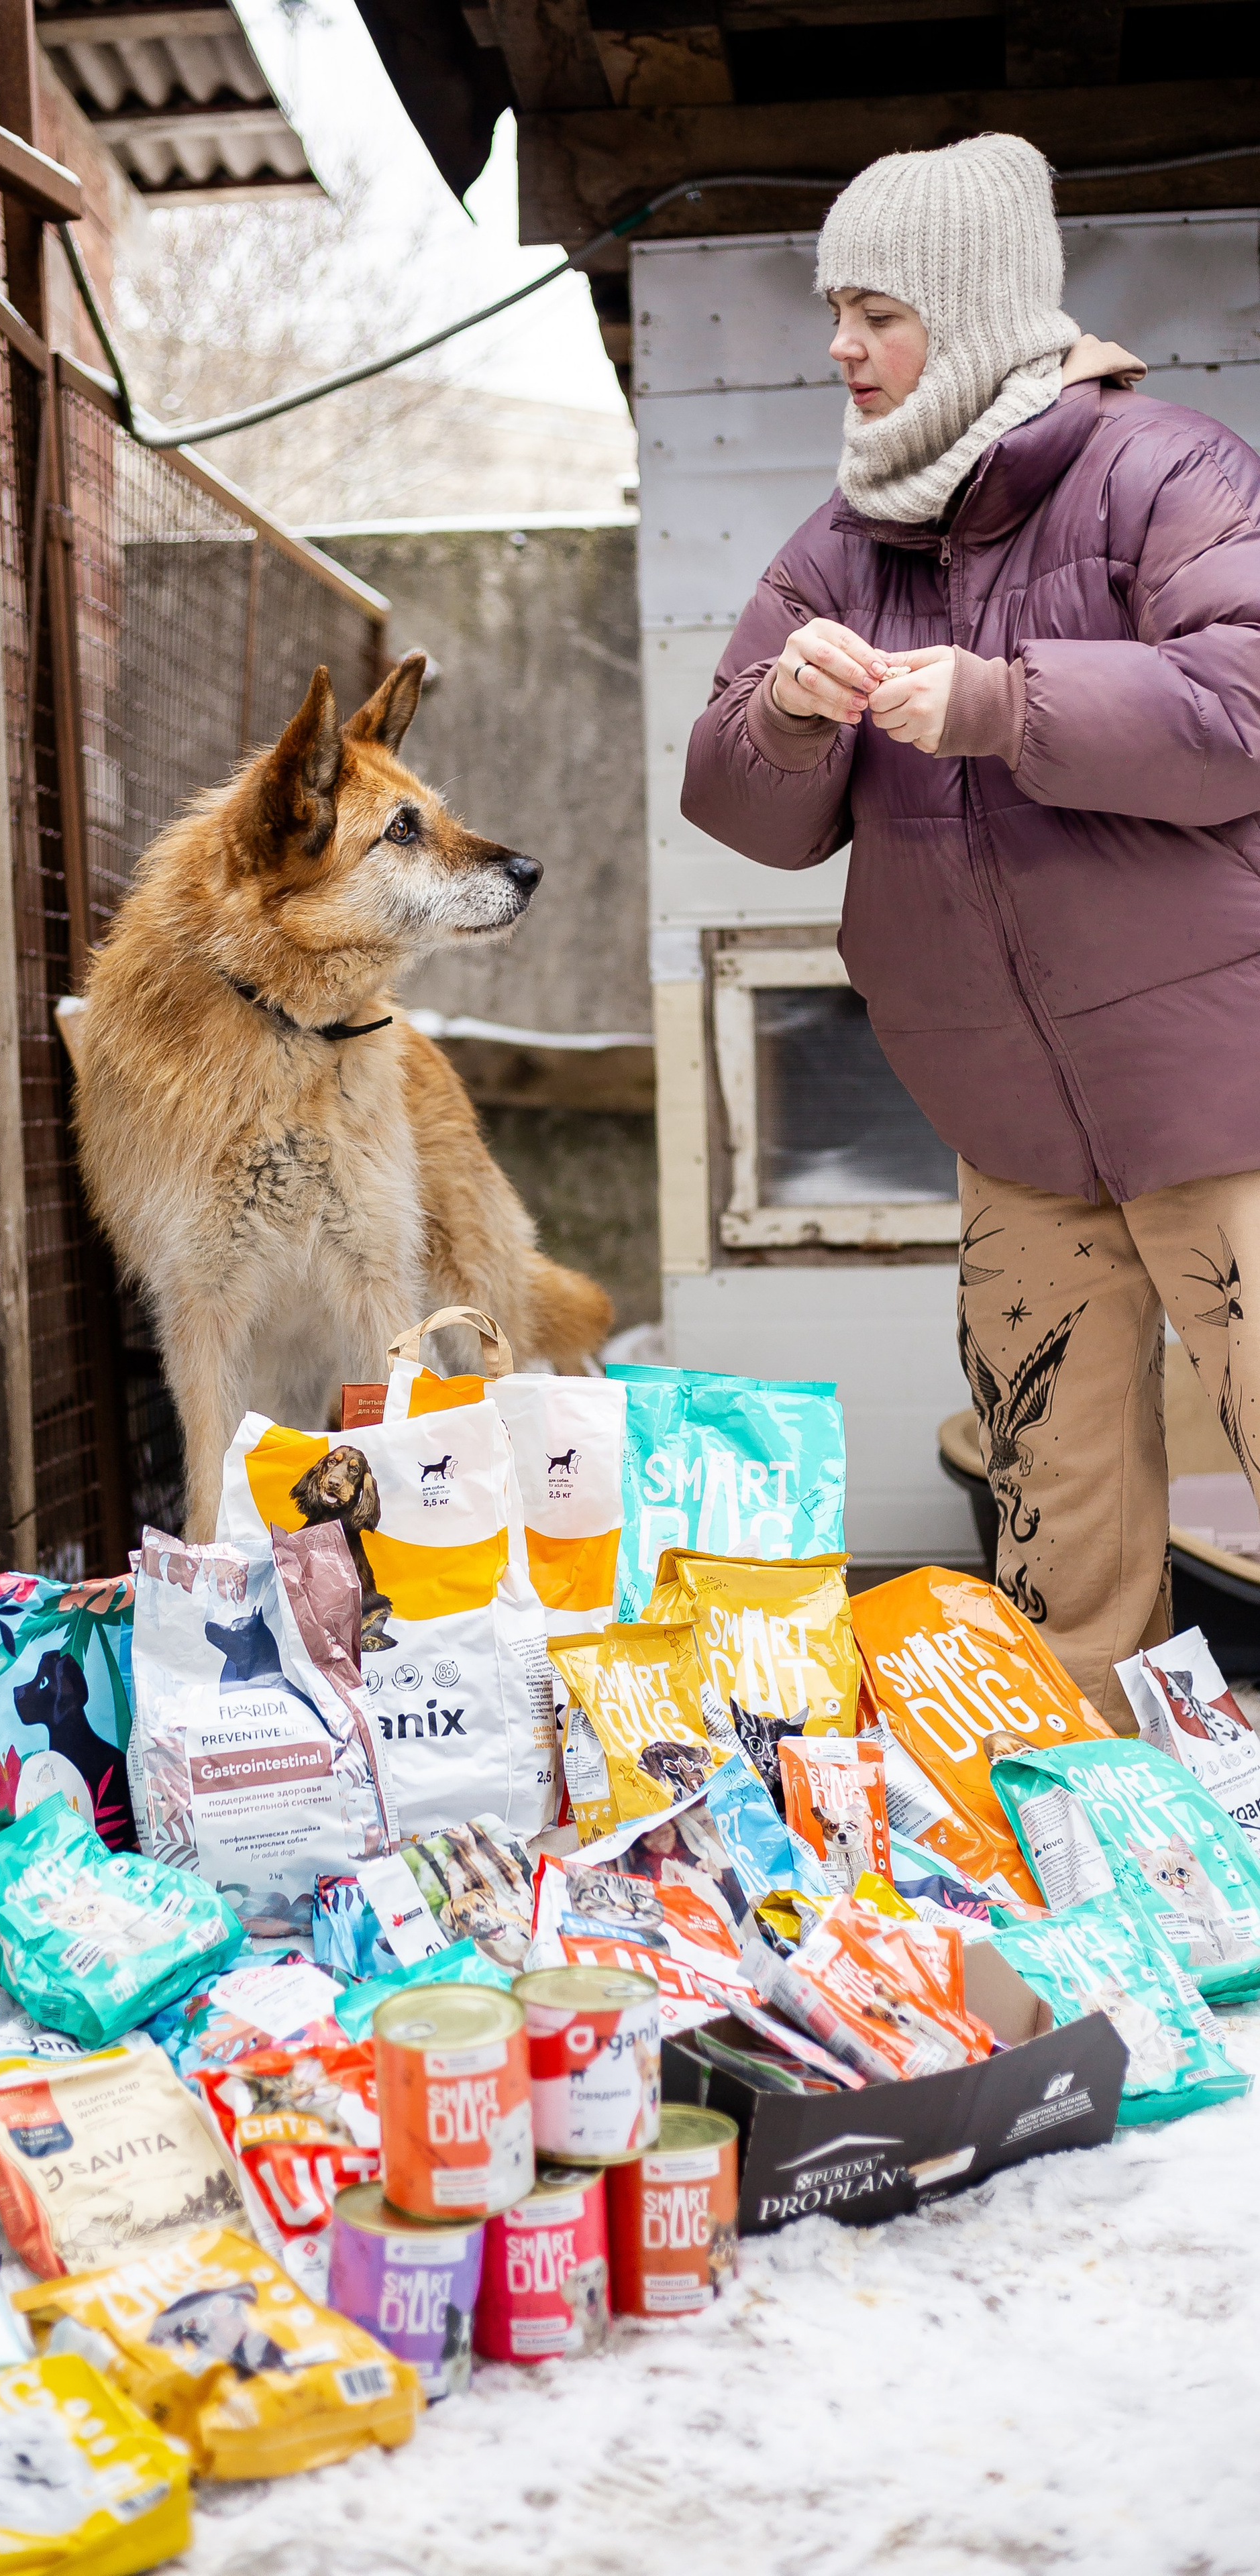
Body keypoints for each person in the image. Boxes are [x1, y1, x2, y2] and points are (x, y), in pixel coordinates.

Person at [681, 133, 1260, 1720]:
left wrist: (1007, 705)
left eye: (875, 311)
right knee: (1051, 1535)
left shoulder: (1168, 473)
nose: (838, 348)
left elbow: (1242, 705)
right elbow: (735, 804)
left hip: (1222, 1106)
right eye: (830, 311)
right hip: (1012, 1131)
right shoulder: (838, 547)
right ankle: (1093, 1846)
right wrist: (787, 718)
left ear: (977, 307)